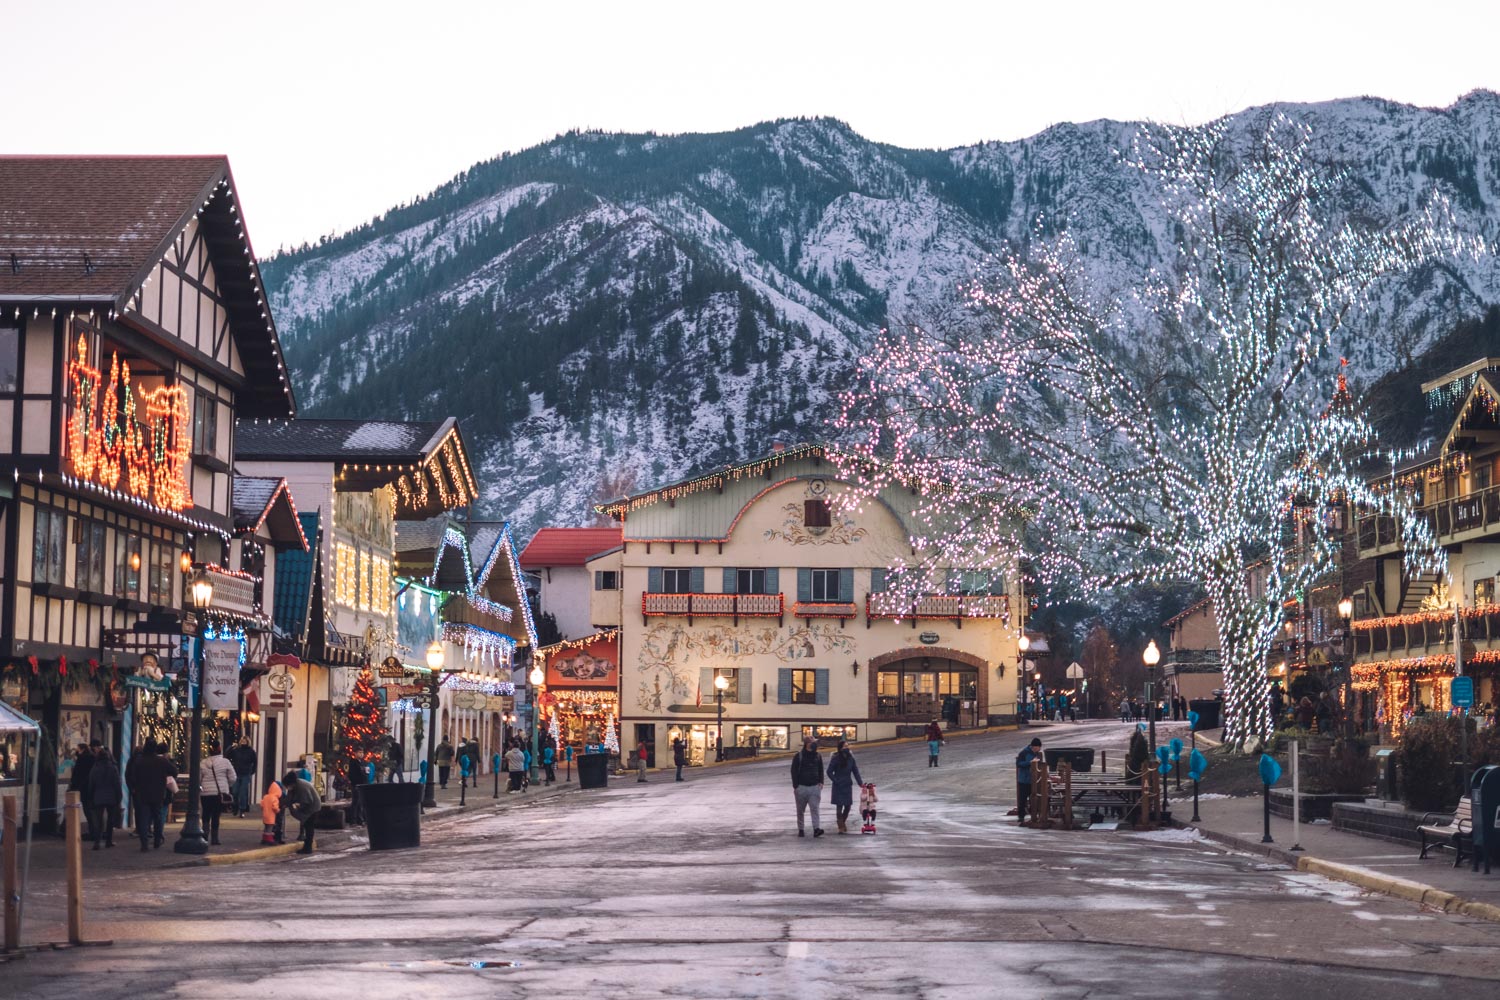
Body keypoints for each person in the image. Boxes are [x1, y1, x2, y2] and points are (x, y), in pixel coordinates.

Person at [132, 741, 175, 851]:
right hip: (158, 793)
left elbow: (133, 776)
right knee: (158, 817)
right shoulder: (161, 761)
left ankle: (144, 843)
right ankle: (157, 840)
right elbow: (174, 771)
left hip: (143, 793)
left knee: (144, 818)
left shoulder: (139, 761)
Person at [199, 742, 238, 846]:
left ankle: (205, 835)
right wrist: (226, 785)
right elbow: (233, 778)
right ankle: (215, 838)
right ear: (220, 749)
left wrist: (202, 787)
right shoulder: (225, 762)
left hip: (205, 793)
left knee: (206, 814)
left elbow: (199, 779)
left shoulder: (203, 763)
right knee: (216, 815)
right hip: (218, 793)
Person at [825, 740, 864, 834]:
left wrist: (860, 783)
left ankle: (842, 822)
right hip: (838, 785)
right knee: (839, 807)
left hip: (847, 784)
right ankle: (841, 826)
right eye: (844, 746)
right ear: (840, 748)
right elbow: (829, 771)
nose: (847, 748)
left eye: (847, 746)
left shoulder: (851, 758)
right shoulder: (835, 758)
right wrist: (835, 780)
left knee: (848, 806)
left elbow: (855, 771)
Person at [86, 747, 121, 850]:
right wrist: (119, 796)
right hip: (111, 796)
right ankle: (108, 841)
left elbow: (91, 784)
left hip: (98, 795)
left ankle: (97, 842)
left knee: (98, 820)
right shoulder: (113, 768)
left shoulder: (95, 768)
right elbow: (117, 784)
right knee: (110, 820)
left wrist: (90, 796)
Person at [790, 737, 825, 838]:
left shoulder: (818, 756)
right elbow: (793, 771)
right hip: (801, 787)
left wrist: (821, 782)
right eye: (813, 742)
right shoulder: (798, 756)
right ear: (807, 744)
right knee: (800, 810)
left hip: (814, 787)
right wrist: (796, 786)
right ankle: (801, 829)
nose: (815, 744)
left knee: (815, 809)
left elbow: (821, 769)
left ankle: (816, 829)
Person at [281, 770, 322, 854]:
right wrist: (284, 804)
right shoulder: (293, 786)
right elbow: (289, 797)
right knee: (306, 825)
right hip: (307, 806)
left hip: (313, 807)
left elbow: (307, 801)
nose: (287, 788)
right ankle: (307, 846)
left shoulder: (302, 787)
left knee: (309, 827)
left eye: (287, 786)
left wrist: (297, 806)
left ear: (291, 784)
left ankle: (308, 847)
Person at [66, 742, 96, 840]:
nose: (76, 751)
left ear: (82, 749)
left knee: (87, 809)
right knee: (90, 810)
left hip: (82, 787)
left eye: (77, 749)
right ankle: (93, 831)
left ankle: (92, 831)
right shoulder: (92, 758)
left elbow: (78, 774)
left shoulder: (82, 759)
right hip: (89, 787)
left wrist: (74, 785)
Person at [1016, 737, 1042, 824]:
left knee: (1035, 798)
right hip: (1024, 780)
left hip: (1034, 780)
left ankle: (1034, 815)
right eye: (1036, 748)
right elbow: (1019, 764)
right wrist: (1030, 763)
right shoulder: (1024, 753)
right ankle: (1021, 817)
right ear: (1033, 746)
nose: (1037, 750)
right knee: (1022, 799)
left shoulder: (1038, 754)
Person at [259, 777, 283, 845]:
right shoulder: (275, 798)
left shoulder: (266, 796)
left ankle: (264, 839)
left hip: (265, 815)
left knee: (266, 827)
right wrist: (278, 810)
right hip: (271, 816)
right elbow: (275, 807)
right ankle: (269, 840)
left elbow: (261, 804)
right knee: (270, 828)